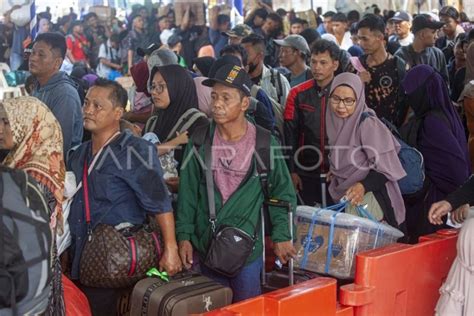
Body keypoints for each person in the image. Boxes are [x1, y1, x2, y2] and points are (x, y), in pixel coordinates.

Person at [176, 63, 297, 302]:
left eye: (226, 98)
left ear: (244, 104)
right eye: (214, 96)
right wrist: (184, 235)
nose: (217, 103)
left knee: (247, 308)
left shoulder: (264, 143)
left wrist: (282, 235)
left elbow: (281, 193)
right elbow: (188, 193)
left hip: (247, 253)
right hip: (205, 245)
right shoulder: (200, 140)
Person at [67, 79, 182, 315]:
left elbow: (160, 203)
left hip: (118, 257)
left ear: (118, 113)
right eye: (86, 103)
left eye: (97, 106)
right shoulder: (78, 154)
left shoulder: (134, 150)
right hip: (83, 256)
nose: (88, 110)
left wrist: (171, 249)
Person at [1, 96, 66, 314]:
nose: (1, 129)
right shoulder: (21, 163)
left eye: (8, 122)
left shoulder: (34, 178)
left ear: (31, 126)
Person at [326, 73, 406, 228]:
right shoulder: (334, 120)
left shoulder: (367, 123)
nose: (341, 106)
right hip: (348, 196)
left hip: (374, 199)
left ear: (359, 99)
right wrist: (335, 168)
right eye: (335, 99)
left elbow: (387, 168)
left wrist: (363, 185)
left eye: (349, 100)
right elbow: (346, 155)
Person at [402, 65, 471, 241]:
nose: (409, 97)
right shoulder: (448, 113)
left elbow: (453, 167)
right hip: (447, 200)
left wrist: (454, 199)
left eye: (412, 92)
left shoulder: (432, 122)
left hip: (433, 203)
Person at [284, 39, 340, 206]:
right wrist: (292, 171)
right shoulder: (297, 93)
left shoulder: (345, 92)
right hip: (305, 172)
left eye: (323, 63)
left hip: (337, 172)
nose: (317, 67)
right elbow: (290, 135)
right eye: (313, 62)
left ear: (335, 65)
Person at [147, 63, 209, 193]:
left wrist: (184, 184)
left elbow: (206, 174)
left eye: (161, 87)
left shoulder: (198, 124)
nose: (154, 92)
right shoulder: (153, 122)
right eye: (153, 86)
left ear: (177, 86)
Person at [29, 32, 83, 154]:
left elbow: (59, 145)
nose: (33, 58)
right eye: (33, 53)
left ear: (57, 63)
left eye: (41, 55)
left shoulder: (65, 94)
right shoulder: (38, 85)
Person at [355, 14, 408, 127]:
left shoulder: (399, 66)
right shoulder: (356, 65)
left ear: (380, 38)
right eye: (359, 38)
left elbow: (406, 104)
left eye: (365, 38)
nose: (360, 43)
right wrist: (357, 82)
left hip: (391, 134)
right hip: (361, 131)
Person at [241, 34, 291, 124]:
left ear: (260, 56)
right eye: (241, 54)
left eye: (246, 55)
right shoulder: (235, 78)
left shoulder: (277, 80)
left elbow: (288, 116)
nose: (242, 59)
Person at [395, 14, 448, 82]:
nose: (436, 37)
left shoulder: (438, 54)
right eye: (433, 32)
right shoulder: (401, 56)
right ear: (422, 35)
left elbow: (445, 84)